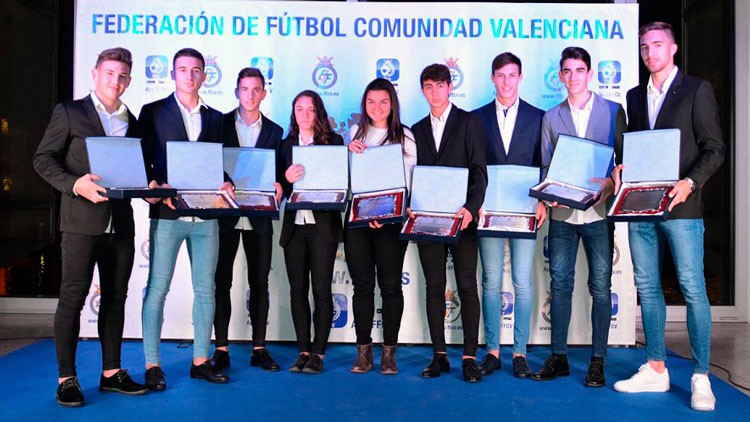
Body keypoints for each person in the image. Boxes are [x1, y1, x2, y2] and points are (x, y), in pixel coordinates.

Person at [612, 22, 725, 412]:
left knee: (693, 288)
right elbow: (633, 149)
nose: (650, 53)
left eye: (657, 45)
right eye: (644, 47)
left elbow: (714, 149)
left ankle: (700, 377)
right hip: (641, 205)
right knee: (647, 286)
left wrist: (690, 184)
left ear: (673, 48)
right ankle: (656, 368)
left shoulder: (697, 90)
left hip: (683, 206)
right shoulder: (634, 96)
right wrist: (619, 169)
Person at [33, 47, 148, 407]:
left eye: (123, 75)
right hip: (81, 222)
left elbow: (139, 168)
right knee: (72, 299)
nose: (116, 80)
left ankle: (111, 373)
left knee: (116, 300)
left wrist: (153, 186)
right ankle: (67, 379)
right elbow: (42, 159)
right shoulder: (69, 112)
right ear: (95, 73)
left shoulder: (132, 119)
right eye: (110, 73)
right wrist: (74, 183)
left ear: (128, 80)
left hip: (121, 226)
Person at [530, 46, 625, 387]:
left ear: (590, 73)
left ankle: (597, 361)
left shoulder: (613, 111)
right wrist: (548, 194)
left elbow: (624, 165)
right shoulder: (551, 117)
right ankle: (559, 358)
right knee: (561, 285)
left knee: (601, 287)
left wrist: (612, 184)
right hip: (563, 215)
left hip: (599, 212)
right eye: (567, 71)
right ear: (560, 75)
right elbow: (545, 165)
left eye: (579, 70)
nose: (573, 77)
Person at [139, 48, 231, 390]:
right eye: (183, 69)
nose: (190, 76)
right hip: (166, 214)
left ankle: (201, 360)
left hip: (206, 216)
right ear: (173, 75)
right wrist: (150, 185)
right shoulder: (152, 113)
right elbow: (142, 161)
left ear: (204, 76)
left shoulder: (217, 117)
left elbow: (221, 166)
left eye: (196, 70)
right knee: (158, 289)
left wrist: (227, 182)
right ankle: (152, 364)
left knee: (206, 290)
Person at [410, 64, 487, 383]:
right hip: (428, 222)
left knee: (468, 286)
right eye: (428, 86)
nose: (435, 92)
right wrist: (410, 208)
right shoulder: (414, 130)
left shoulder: (469, 122)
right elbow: (410, 176)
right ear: (423, 90)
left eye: (440, 85)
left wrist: (471, 208)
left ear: (450, 86)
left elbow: (479, 171)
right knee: (433, 288)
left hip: (461, 220)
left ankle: (469, 357)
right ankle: (439, 355)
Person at [471, 52, 546, 378]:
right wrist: (474, 203)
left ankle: (519, 352)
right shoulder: (476, 118)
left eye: (512, 75)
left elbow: (545, 162)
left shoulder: (538, 116)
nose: (506, 81)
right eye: (500, 75)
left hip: (525, 209)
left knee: (523, 282)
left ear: (520, 77)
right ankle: (491, 350)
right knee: (490, 282)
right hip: (488, 210)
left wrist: (543, 200)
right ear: (492, 78)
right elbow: (473, 165)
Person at [211, 68, 283, 372]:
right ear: (236, 91)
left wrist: (282, 186)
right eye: (245, 89)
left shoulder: (276, 132)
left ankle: (259, 348)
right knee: (220, 282)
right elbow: (210, 164)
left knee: (260, 283)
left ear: (264, 93)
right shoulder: (219, 124)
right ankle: (222, 348)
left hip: (260, 216)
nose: (250, 95)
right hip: (225, 214)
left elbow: (281, 173)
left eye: (256, 90)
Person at [345, 78, 417, 375]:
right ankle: (363, 352)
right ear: (365, 104)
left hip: (392, 222)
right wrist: (348, 152)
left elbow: (411, 182)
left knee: (390, 286)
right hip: (358, 222)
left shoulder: (406, 137)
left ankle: (389, 353)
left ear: (392, 104)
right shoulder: (353, 134)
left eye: (384, 101)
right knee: (362, 286)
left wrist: (389, 212)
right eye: (371, 102)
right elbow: (347, 182)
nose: (377, 107)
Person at [279, 90, 344, 375]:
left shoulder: (334, 142)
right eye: (299, 109)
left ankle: (319, 353)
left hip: (322, 229)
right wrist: (284, 179)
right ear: (293, 113)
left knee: (321, 291)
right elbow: (277, 191)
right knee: (297, 292)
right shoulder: (285, 146)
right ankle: (303, 350)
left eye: (310, 109)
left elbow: (341, 183)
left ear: (318, 112)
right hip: (294, 228)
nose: (305, 114)